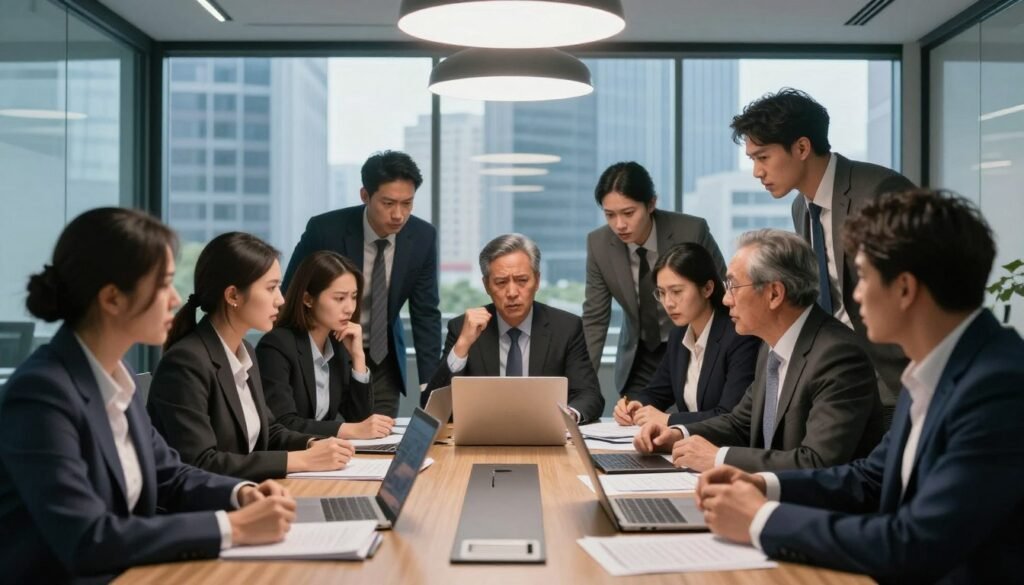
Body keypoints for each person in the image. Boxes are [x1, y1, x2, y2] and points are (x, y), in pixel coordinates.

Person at [694, 190, 1024, 584]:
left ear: (904, 289)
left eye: (864, 276)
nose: (855, 294)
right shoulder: (934, 366)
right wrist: (762, 484)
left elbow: (913, 544)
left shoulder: (998, 386)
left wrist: (761, 519)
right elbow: (870, 478)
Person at [0, 209, 296, 582]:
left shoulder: (114, 379)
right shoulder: (42, 394)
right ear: (112, 299)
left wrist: (241, 493)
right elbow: (87, 538)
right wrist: (232, 527)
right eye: (163, 284)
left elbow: (170, 475)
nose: (174, 298)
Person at [730, 88, 914, 418]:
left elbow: (911, 297)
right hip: (841, 377)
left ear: (802, 147)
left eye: (763, 157)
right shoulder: (802, 207)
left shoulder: (878, 192)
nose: (757, 172)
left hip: (893, 381)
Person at [634, 229, 882, 472]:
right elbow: (740, 423)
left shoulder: (837, 355)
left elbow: (816, 462)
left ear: (774, 294)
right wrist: (677, 434)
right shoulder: (771, 345)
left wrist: (720, 457)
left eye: (733, 286)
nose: (725, 299)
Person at [148, 232, 354, 482]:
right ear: (233, 295)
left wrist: (314, 445)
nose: (281, 299)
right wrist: (300, 460)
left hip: (250, 493)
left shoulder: (245, 351)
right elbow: (200, 462)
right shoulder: (186, 362)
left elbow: (271, 431)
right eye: (271, 288)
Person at [283, 150, 440, 417]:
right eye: (388, 203)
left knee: (380, 441)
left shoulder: (422, 236)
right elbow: (291, 292)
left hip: (380, 359)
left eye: (407, 204)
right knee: (320, 437)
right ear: (365, 195)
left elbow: (425, 313)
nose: (399, 215)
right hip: (324, 352)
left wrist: (430, 386)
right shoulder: (325, 230)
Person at [422, 233, 604, 423]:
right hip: (482, 439)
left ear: (537, 281)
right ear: (486, 285)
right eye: (501, 282)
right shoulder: (464, 328)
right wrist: (462, 345)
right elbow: (431, 407)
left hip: (545, 436)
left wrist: (569, 415)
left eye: (522, 280)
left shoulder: (566, 328)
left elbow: (589, 395)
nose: (512, 293)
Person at [583, 161, 727, 397]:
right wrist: (582, 388)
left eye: (628, 213)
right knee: (634, 421)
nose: (619, 225)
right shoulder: (599, 245)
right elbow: (595, 319)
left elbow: (723, 292)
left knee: (679, 423)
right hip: (639, 356)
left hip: (692, 346)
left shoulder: (691, 231)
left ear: (651, 204)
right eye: (610, 215)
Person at [614, 242, 760, 428]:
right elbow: (656, 392)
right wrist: (635, 406)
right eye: (661, 293)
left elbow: (729, 415)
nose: (668, 303)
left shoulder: (738, 336)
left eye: (676, 292)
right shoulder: (678, 335)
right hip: (687, 447)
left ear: (707, 288)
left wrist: (668, 420)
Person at [257, 251, 394, 439]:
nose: (350, 308)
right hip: (292, 460)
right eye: (339, 298)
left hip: (324, 458)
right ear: (308, 299)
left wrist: (358, 357)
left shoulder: (337, 345)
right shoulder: (276, 346)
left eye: (354, 297)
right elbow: (283, 423)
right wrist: (346, 430)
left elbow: (359, 420)